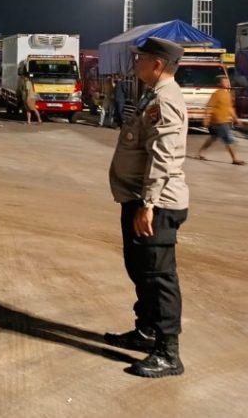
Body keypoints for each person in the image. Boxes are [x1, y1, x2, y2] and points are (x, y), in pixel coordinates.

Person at [105, 37, 189, 378]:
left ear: (158, 64)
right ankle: (146, 331)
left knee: (159, 278)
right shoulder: (152, 95)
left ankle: (169, 353)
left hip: (157, 204)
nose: (135, 63)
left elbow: (164, 154)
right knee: (141, 271)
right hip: (138, 199)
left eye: (140, 58)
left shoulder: (166, 99)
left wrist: (149, 203)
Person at [195, 73, 244, 165]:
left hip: (225, 120)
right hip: (218, 121)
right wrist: (206, 119)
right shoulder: (216, 94)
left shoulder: (228, 94)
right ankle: (235, 159)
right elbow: (209, 107)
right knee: (228, 140)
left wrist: (236, 119)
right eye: (224, 81)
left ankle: (201, 152)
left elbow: (230, 108)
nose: (226, 83)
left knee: (213, 138)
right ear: (219, 84)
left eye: (227, 81)